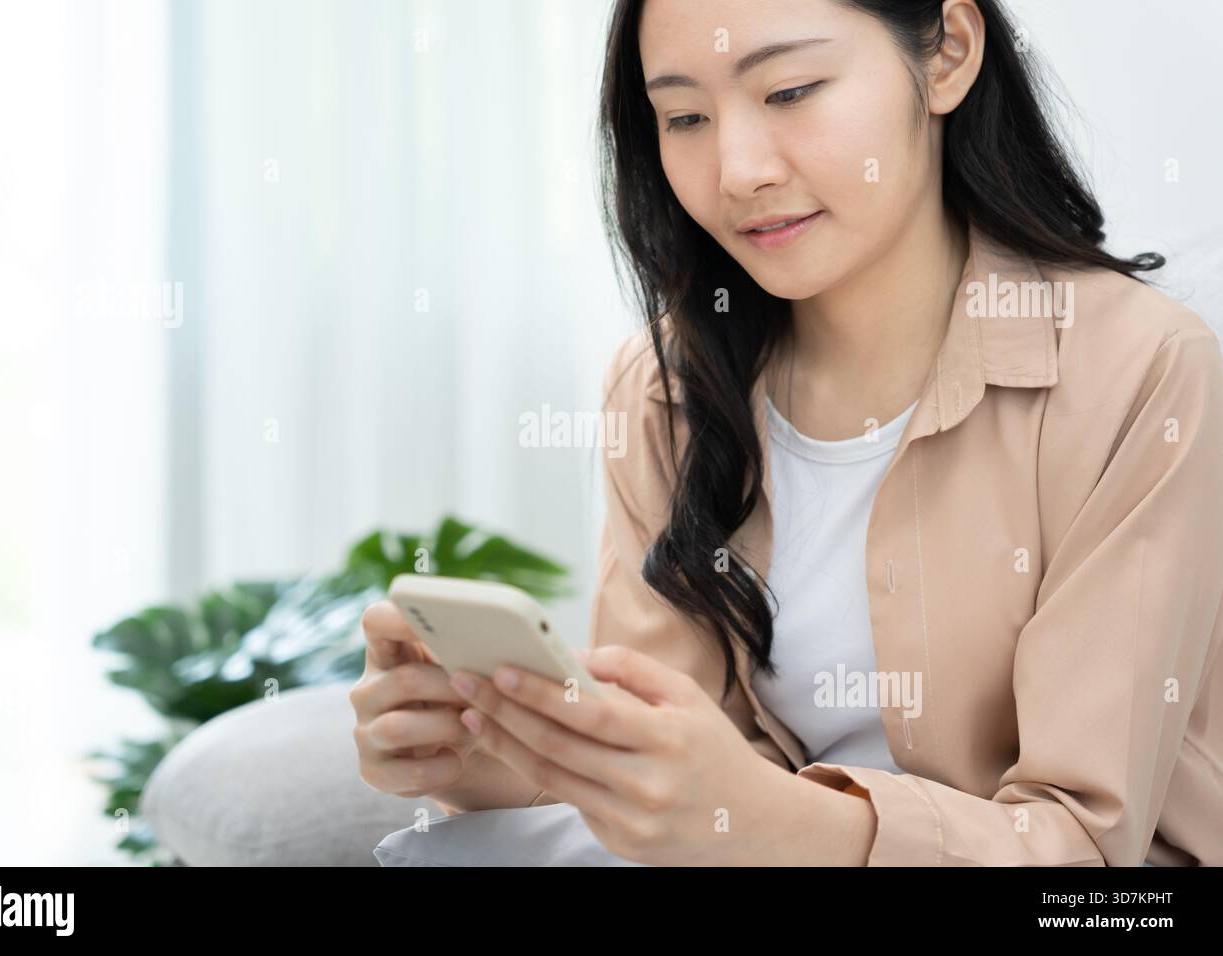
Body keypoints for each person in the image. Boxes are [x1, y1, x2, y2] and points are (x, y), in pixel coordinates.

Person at [351, 0, 1223, 866]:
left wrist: (773, 821)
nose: (737, 171)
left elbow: (1083, 852)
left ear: (949, 53)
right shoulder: (667, 392)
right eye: (685, 116)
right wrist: (484, 751)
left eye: (792, 91)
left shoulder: (1143, 372)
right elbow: (673, 780)